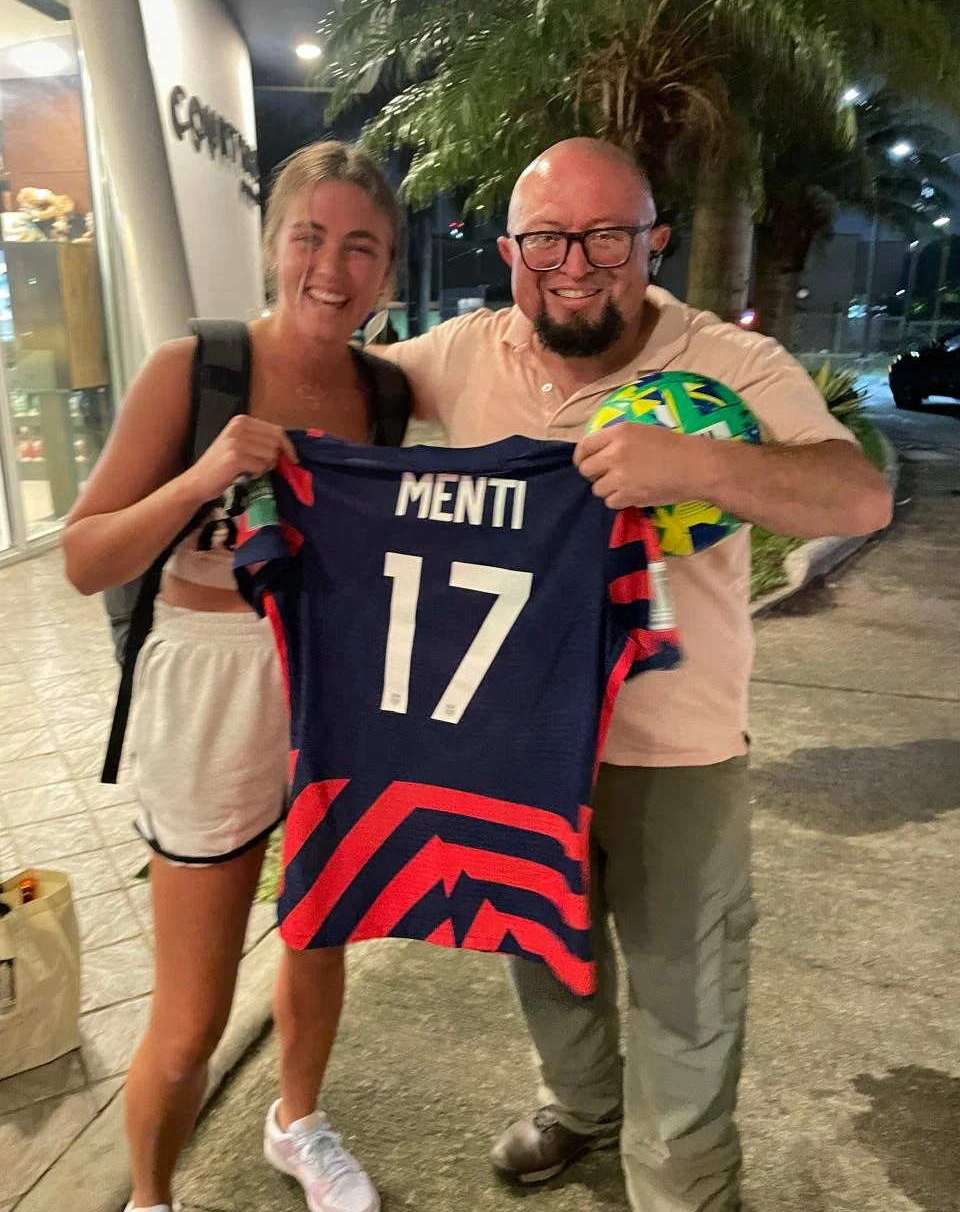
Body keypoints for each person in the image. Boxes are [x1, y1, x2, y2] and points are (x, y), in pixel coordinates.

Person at [370, 137, 892, 1212]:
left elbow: (855, 497)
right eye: (549, 237)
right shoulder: (465, 353)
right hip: (517, 744)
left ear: (653, 239)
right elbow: (339, 387)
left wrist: (699, 463)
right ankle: (582, 1109)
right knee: (541, 951)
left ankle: (686, 1190)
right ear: (512, 248)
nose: (577, 261)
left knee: (687, 989)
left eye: (607, 234)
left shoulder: (729, 364)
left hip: (677, 748)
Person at [62, 141, 406, 1212]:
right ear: (271, 248)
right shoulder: (196, 366)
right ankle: (150, 1196)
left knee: (317, 932)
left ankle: (294, 1119)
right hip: (208, 682)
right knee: (192, 1013)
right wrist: (208, 472)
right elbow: (85, 555)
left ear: (388, 272)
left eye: (362, 246)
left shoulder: (385, 393)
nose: (332, 266)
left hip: (329, 684)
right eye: (311, 236)